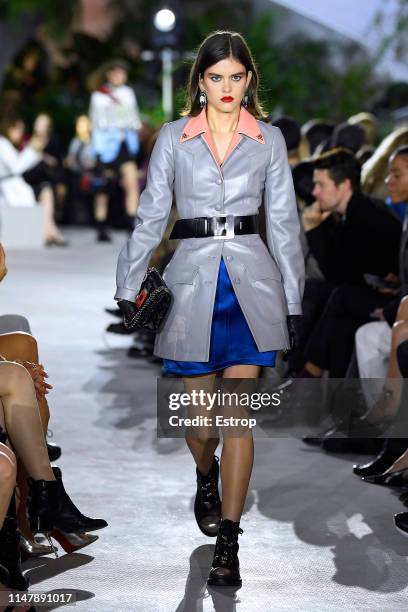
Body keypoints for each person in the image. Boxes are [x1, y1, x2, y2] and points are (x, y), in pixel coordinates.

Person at [114, 30, 304, 587]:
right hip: (193, 280)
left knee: (235, 417)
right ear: (200, 81)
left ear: (249, 81)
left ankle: (229, 542)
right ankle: (206, 471)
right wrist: (128, 285)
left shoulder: (268, 141)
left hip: (252, 284)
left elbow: (286, 224)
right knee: (202, 421)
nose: (226, 87)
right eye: (216, 77)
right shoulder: (174, 138)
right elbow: (152, 215)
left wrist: (293, 300)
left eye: (236, 77)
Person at [298, 148, 402, 378]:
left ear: (344, 185)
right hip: (374, 294)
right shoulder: (352, 212)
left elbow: (338, 273)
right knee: (332, 302)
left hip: (394, 301)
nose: (314, 192)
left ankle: (306, 376)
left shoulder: (364, 215)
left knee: (338, 296)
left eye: (321, 185)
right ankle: (323, 393)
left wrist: (314, 230)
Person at [89, 59, 142, 241]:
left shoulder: (128, 93)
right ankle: (101, 227)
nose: (118, 76)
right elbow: (99, 121)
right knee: (103, 187)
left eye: (121, 73)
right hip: (105, 146)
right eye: (115, 72)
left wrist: (121, 118)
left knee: (132, 182)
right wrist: (121, 117)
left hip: (124, 143)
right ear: (109, 74)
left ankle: (131, 222)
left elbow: (133, 118)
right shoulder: (99, 95)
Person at [0, 115, 66, 246]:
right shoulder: (3, 144)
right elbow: (17, 167)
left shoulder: (9, 144)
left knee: (46, 190)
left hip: (20, 185)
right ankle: (49, 233)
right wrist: (33, 150)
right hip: (10, 188)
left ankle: (49, 231)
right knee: (44, 191)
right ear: (9, 129)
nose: (21, 133)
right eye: (19, 129)